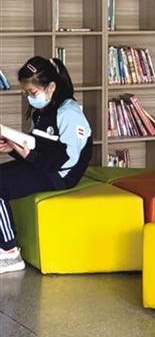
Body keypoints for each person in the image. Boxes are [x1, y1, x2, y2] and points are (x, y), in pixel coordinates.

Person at [0, 57, 93, 274]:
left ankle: (9, 252)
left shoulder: (69, 113)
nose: (29, 97)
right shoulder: (43, 111)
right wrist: (13, 148)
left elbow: (68, 160)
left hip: (61, 175)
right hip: (43, 167)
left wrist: (31, 157)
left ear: (51, 87)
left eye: (32, 93)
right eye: (26, 93)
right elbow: (38, 147)